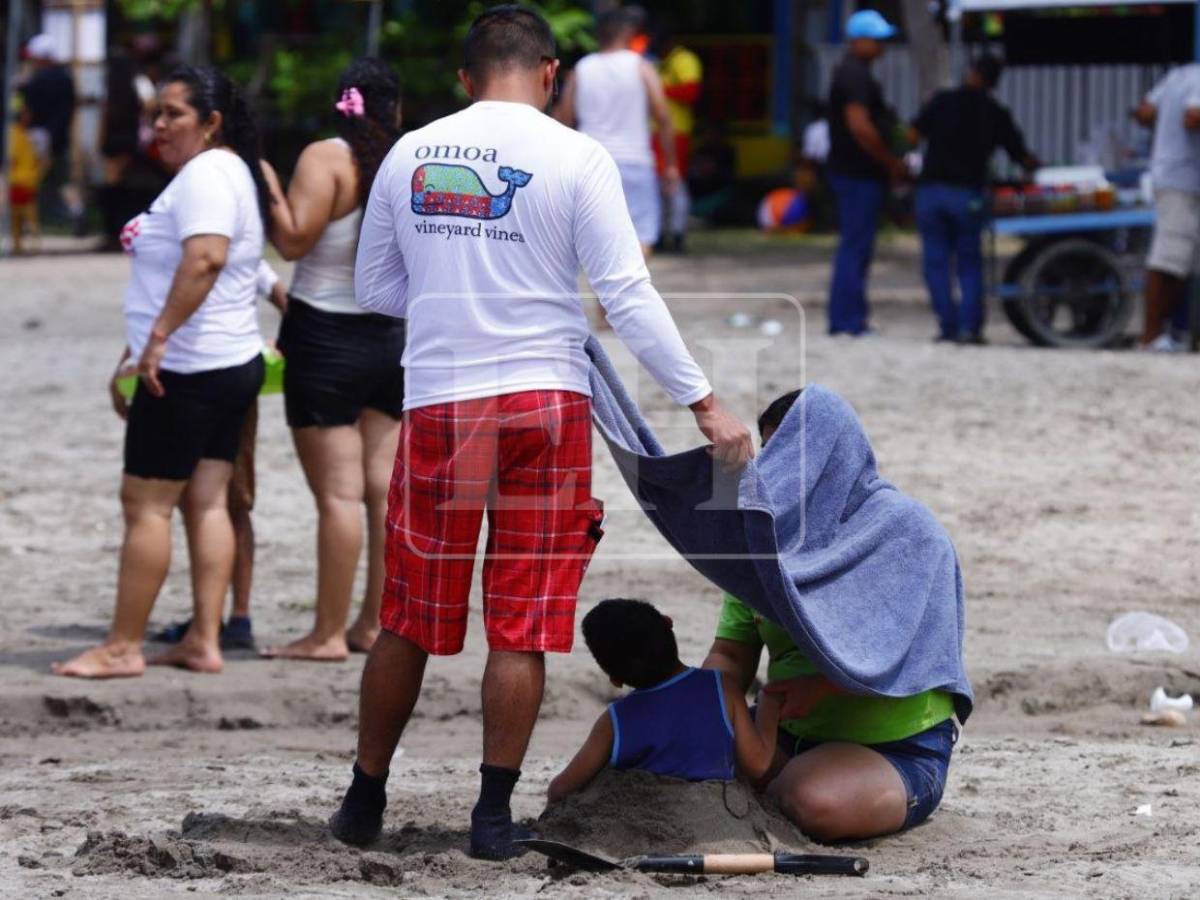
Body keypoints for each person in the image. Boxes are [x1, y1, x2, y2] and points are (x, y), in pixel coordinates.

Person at [328, 5, 754, 860]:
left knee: (409, 616)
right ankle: (490, 818)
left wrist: (460, 301)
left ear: (464, 78)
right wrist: (702, 401)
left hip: (443, 403)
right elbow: (626, 296)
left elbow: (373, 288)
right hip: (542, 402)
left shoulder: (411, 152)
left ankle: (363, 803)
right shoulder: (576, 155)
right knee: (519, 623)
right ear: (551, 74)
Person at [52, 65, 270, 679]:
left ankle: (123, 646)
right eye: (157, 113)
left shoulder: (205, 174)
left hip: (187, 370)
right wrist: (142, 343)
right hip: (225, 362)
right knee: (205, 504)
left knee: (145, 506)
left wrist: (156, 340)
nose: (160, 125)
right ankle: (204, 638)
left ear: (211, 121)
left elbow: (206, 258)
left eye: (174, 113)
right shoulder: (228, 172)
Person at [702, 390, 959, 842]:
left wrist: (819, 687)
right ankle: (770, 777)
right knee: (655, 758)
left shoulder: (910, 534)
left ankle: (782, 783)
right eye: (771, 460)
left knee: (810, 800)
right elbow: (730, 656)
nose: (780, 476)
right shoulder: (765, 541)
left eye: (793, 459)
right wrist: (692, 702)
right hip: (780, 733)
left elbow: (908, 657)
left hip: (894, 748)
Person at [259, 58, 405, 661]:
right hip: (394, 336)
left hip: (325, 336)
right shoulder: (410, 160)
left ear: (340, 102)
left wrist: (263, 181)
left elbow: (292, 240)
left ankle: (324, 635)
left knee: (339, 497)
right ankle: (372, 625)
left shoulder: (326, 158)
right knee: (380, 493)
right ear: (393, 108)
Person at [144, 261, 288, 653]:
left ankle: (234, 617)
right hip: (192, 375)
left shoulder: (224, 246)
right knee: (205, 503)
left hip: (221, 374)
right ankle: (213, 617)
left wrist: (289, 343)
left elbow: (282, 295)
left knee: (226, 502)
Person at [547, 599, 780, 801]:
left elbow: (561, 789)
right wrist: (769, 704)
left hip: (643, 825)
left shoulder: (615, 719)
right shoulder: (723, 688)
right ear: (668, 623)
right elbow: (757, 765)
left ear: (615, 680)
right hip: (716, 818)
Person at [909, 55, 1040, 344]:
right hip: (967, 195)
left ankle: (947, 326)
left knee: (936, 263)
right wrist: (1038, 167)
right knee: (969, 263)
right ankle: (970, 328)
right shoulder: (995, 112)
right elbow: (1021, 155)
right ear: (995, 82)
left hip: (931, 192)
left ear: (972, 72)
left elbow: (911, 134)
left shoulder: (942, 101)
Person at [555, 8, 680, 256]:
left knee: (597, 239)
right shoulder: (642, 67)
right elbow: (663, 117)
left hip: (591, 163)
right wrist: (671, 164)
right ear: (630, 33)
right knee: (642, 235)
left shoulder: (583, 68)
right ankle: (623, 292)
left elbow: (563, 118)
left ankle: (604, 295)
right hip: (635, 162)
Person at [825, 10, 906, 336]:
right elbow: (860, 126)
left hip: (853, 172)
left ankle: (847, 318)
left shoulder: (853, 72)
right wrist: (889, 161)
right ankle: (848, 321)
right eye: (878, 40)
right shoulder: (854, 75)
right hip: (857, 174)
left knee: (855, 246)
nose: (883, 47)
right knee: (855, 247)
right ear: (859, 40)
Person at [1132, 63, 1200, 350]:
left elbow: (1144, 112)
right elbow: (1193, 118)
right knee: (1168, 259)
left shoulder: (1178, 75)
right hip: (1182, 180)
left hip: (1175, 175)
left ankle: (1180, 334)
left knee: (1185, 263)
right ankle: (1151, 336)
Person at [652, 23, 702, 253]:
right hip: (654, 132)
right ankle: (662, 234)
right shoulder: (657, 63)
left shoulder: (685, 60)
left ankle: (678, 233)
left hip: (676, 132)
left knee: (675, 183)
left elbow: (691, 92)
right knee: (658, 186)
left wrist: (659, 90)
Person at [19, 34, 79, 228]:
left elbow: (28, 112)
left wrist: (19, 131)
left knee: (27, 180)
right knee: (63, 181)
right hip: (59, 137)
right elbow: (72, 107)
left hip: (35, 139)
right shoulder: (66, 78)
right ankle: (78, 212)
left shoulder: (35, 81)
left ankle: (26, 222)